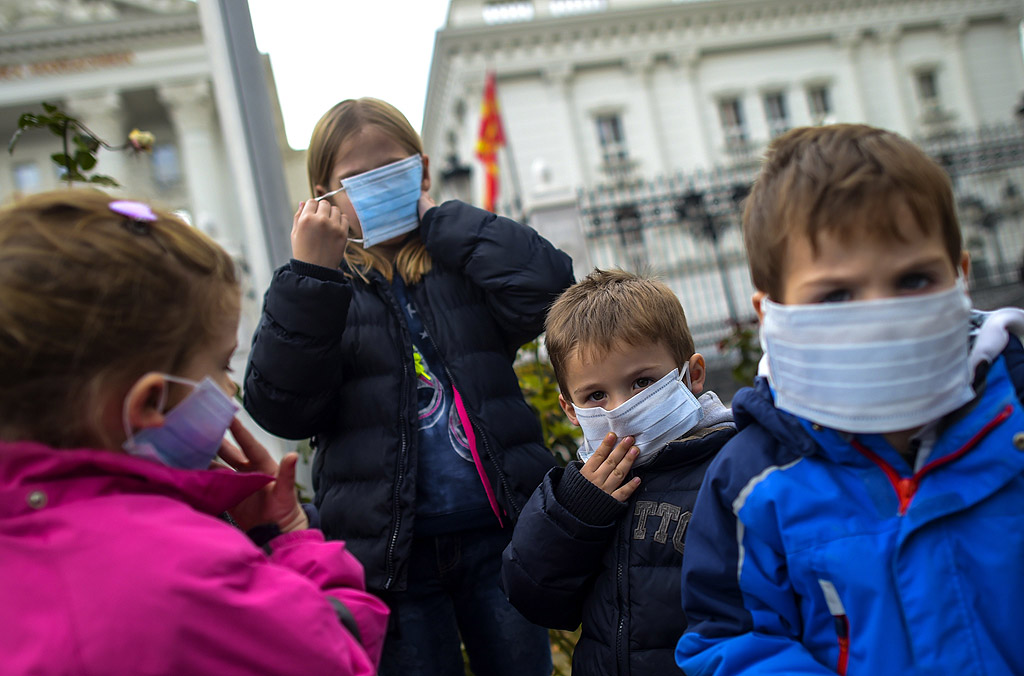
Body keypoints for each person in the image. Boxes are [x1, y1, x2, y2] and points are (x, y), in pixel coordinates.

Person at [676, 124, 1024, 675]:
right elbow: (734, 641)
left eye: (913, 280)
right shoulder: (751, 483)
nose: (880, 317)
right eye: (836, 294)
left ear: (960, 276)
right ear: (772, 315)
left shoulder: (1016, 419)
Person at [242, 97, 574, 676]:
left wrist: (439, 217)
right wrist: (311, 275)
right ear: (324, 195)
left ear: (421, 169)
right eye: (356, 179)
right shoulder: (320, 290)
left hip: (498, 538)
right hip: (391, 554)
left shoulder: (457, 264)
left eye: (391, 171)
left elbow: (549, 290)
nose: (376, 187)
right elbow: (281, 405)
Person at [0, 190, 389, 675]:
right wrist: (288, 537)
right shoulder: (192, 580)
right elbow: (338, 653)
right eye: (222, 365)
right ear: (148, 402)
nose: (230, 387)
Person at [501, 268, 737, 675]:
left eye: (642, 382)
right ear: (570, 411)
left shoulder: (732, 465)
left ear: (692, 375)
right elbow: (535, 597)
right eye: (596, 395)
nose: (619, 409)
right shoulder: (576, 492)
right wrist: (577, 511)